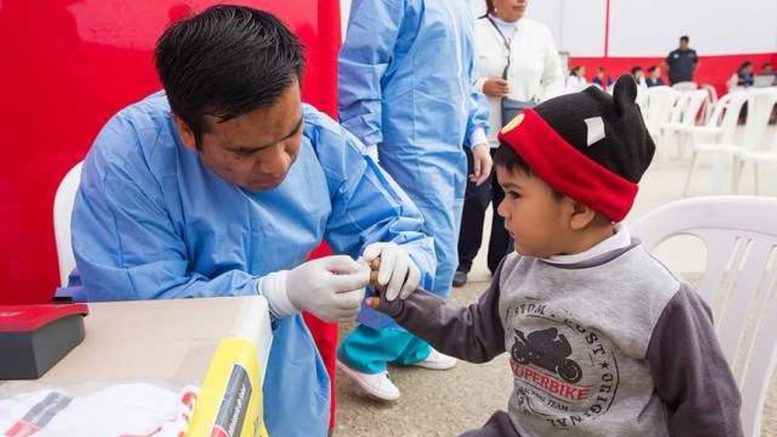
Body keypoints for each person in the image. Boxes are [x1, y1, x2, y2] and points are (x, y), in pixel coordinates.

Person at [70, 6, 436, 436]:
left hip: (280, 362)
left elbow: (398, 224)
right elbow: (142, 305)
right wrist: (274, 294)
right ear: (187, 130)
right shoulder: (130, 158)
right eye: (245, 152)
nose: (278, 164)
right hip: (156, 370)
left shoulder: (319, 137)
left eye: (290, 134)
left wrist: (400, 255)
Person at [366, 75, 744, 437]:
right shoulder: (518, 268)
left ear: (578, 210)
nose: (501, 210)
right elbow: (473, 333)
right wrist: (402, 299)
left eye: (514, 194)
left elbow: (709, 409)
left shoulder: (659, 297)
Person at [336, 0, 492, 401]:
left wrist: (476, 132)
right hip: (407, 138)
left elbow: (467, 76)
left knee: (442, 250)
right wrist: (363, 136)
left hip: (447, 142)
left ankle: (413, 341)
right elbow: (363, 61)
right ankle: (366, 349)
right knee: (409, 247)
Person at [455, 0, 563, 286]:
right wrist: (482, 86)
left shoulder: (539, 33)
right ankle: (462, 261)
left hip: (521, 136)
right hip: (479, 134)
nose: (521, 1)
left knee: (512, 199)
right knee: (474, 201)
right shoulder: (473, 29)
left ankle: (501, 264)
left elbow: (554, 78)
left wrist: (540, 105)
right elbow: (456, 76)